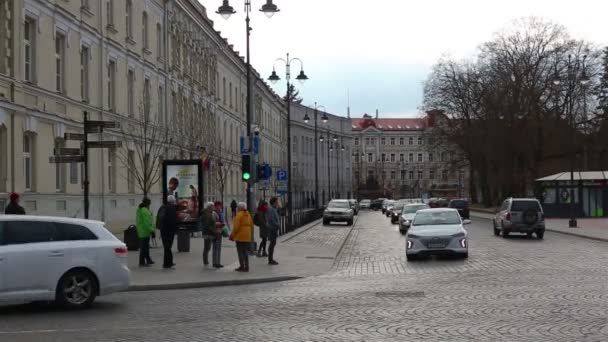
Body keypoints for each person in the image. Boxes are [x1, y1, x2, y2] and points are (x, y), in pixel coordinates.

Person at [230, 202, 253, 272]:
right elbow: (252, 225)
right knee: (245, 251)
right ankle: (247, 266)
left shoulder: (238, 215)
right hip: (247, 236)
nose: (237, 208)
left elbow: (236, 227)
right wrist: (251, 235)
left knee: (240, 252)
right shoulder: (248, 215)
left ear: (240, 208)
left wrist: (232, 235)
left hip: (240, 236)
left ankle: (242, 266)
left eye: (237, 207)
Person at [203, 201, 224, 268]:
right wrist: (217, 224)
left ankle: (216, 262)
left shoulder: (215, 213)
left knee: (216, 247)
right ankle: (208, 261)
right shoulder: (207, 214)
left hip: (215, 232)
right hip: (209, 232)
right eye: (213, 206)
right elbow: (209, 224)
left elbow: (219, 220)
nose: (214, 208)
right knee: (207, 247)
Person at [159, 195, 178, 269]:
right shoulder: (171, 209)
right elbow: (172, 221)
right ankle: (166, 264)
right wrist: (175, 229)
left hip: (163, 231)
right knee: (168, 247)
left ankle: (169, 262)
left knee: (167, 247)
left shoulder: (163, 207)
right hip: (169, 232)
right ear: (172, 201)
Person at [136, 198, 155, 267]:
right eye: (149, 203)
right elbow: (146, 222)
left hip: (142, 231)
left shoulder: (140, 209)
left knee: (145, 247)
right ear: (148, 203)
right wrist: (151, 230)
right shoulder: (144, 211)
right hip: (144, 231)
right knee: (144, 247)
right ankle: (142, 262)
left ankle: (147, 260)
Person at [266, 197, 281, 265]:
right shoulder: (271, 209)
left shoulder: (274, 209)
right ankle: (270, 259)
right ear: (274, 202)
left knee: (273, 244)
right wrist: (277, 224)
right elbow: (271, 219)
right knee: (272, 244)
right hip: (272, 229)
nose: (278, 203)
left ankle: (271, 259)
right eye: (277, 202)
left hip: (274, 228)